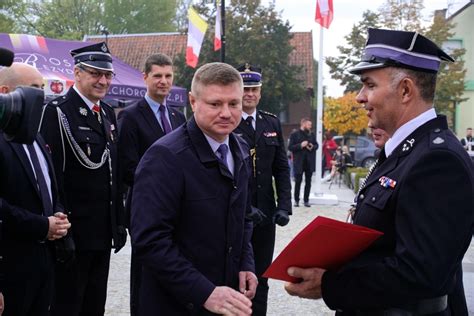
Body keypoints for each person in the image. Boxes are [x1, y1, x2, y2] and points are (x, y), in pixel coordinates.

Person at [284, 28, 474, 315]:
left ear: (406, 90)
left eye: (369, 85)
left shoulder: (437, 160)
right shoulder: (404, 151)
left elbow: (421, 272)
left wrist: (330, 285)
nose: (360, 97)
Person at [130, 62, 257, 315]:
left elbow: (243, 216)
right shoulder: (165, 157)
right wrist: (204, 292)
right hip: (175, 302)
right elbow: (150, 240)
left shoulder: (239, 149)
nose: (226, 113)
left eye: (234, 104)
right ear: (193, 101)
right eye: (215, 104)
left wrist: (246, 262)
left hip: (224, 295)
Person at [40, 42, 127, 316]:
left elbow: (113, 173)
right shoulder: (58, 112)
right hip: (73, 231)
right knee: (68, 305)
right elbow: (51, 175)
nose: (103, 81)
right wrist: (60, 223)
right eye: (95, 73)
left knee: (94, 306)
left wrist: (117, 223)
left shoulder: (107, 113)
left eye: (107, 75)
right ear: (77, 73)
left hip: (102, 232)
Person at [117, 53, 186, 316]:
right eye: (157, 76)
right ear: (144, 77)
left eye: (168, 76)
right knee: (146, 270)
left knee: (174, 265)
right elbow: (127, 167)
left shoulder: (178, 118)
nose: (163, 81)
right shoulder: (131, 117)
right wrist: (164, 185)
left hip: (178, 207)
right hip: (146, 206)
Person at [0, 63, 71, 316]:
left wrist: (59, 216)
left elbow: (50, 185)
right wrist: (42, 225)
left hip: (44, 261)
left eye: (42, 89)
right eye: (33, 89)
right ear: (5, 91)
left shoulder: (36, 136)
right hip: (10, 265)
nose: (40, 98)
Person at [233, 63, 292, 315]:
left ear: (260, 91)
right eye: (245, 89)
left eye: (254, 89)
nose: (250, 94)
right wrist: (246, 208)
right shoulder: (229, 121)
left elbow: (281, 168)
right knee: (235, 274)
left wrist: (284, 207)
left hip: (266, 213)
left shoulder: (271, 122)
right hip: (236, 212)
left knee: (262, 274)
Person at [288, 118, 318, 207]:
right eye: (309, 125)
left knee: (308, 182)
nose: (310, 127)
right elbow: (290, 147)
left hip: (309, 162)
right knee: (298, 182)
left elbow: (317, 145)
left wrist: (312, 146)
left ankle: (306, 200)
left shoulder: (311, 134)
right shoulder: (294, 134)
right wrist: (300, 145)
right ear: (303, 124)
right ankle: (296, 200)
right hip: (299, 162)